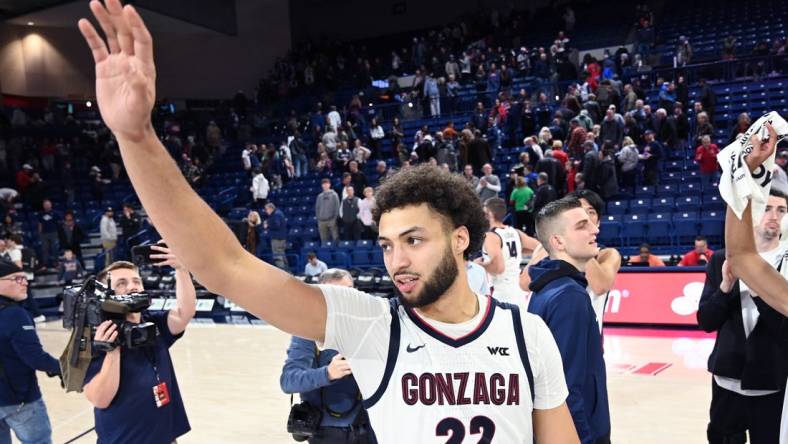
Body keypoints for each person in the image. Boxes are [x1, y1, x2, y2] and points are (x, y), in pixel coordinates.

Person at [77, 6, 579, 442]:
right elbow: (226, 265)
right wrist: (137, 137)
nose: (396, 260)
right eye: (385, 244)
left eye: (414, 240)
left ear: (460, 239)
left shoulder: (527, 333)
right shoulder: (372, 328)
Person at [698, 190, 788, 444]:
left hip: (773, 381)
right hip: (727, 377)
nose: (774, 216)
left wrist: (760, 285)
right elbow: (706, 321)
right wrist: (725, 287)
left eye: (781, 210)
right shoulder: (721, 259)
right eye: (767, 208)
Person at [83, 249, 195, 444]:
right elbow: (100, 399)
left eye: (136, 281)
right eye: (121, 283)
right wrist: (112, 351)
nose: (132, 286)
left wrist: (182, 269)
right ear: (105, 293)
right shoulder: (93, 337)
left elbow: (185, 313)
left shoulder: (152, 322)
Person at [527, 197, 611, 444]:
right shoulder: (570, 297)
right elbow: (566, 389)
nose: (594, 229)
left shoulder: (545, 288)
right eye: (582, 225)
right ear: (558, 241)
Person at [280, 269, 375, 443]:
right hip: (326, 434)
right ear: (321, 298)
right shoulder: (307, 332)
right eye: (336, 294)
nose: (345, 300)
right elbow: (288, 381)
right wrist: (328, 373)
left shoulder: (368, 329)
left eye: (349, 292)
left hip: (368, 429)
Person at [0, 260, 60, 444]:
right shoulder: (15, 314)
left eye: (25, 278)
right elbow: (35, 358)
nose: (25, 282)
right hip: (20, 402)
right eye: (17, 278)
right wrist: (62, 368)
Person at [478, 198, 539, 306]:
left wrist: (479, 265)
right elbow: (540, 247)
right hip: (519, 290)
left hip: (502, 292)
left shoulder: (491, 236)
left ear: (490, 214)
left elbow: (498, 267)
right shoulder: (515, 232)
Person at [263, 203, 288, 269]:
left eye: (266, 209)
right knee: (282, 254)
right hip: (282, 238)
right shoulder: (279, 213)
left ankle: (282, 271)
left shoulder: (276, 214)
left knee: (277, 255)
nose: (266, 211)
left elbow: (277, 225)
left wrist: (268, 225)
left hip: (277, 238)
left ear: (270, 208)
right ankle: (287, 271)